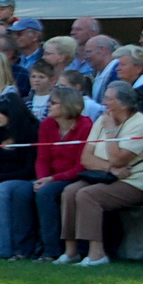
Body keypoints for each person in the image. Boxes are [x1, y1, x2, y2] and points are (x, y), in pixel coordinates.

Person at [55, 81, 143, 266]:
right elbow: (86, 157)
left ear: (123, 103)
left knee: (87, 195)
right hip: (105, 175)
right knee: (69, 192)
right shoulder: (102, 119)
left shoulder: (141, 125)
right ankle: (71, 251)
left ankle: (97, 253)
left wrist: (110, 131)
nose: (104, 102)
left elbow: (119, 159)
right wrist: (110, 168)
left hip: (134, 182)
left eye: (109, 98)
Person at [25, 86, 93, 260]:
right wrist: (42, 179)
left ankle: (52, 250)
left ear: (67, 105)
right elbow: (42, 158)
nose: (48, 105)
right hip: (50, 178)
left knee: (46, 193)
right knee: (23, 191)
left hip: (75, 177)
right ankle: (23, 248)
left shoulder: (85, 126)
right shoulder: (47, 124)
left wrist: (51, 179)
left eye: (53, 102)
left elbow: (81, 165)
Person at [0, 92, 38, 257]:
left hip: (24, 178)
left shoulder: (32, 129)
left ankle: (2, 248)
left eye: (0, 112)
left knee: (1, 191)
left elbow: (30, 168)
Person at [6, 17, 44, 92]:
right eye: (14, 34)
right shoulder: (15, 59)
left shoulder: (46, 58)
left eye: (19, 34)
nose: (15, 37)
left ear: (35, 36)